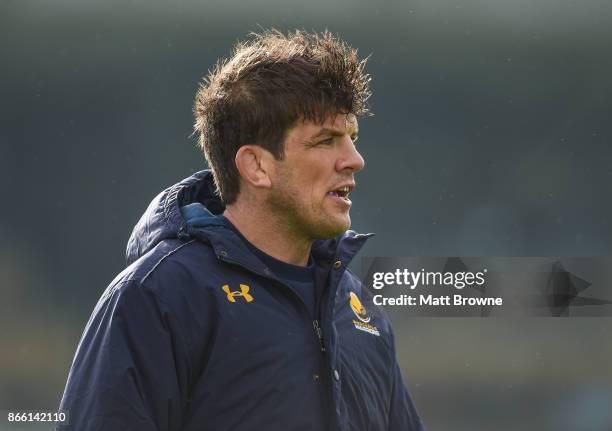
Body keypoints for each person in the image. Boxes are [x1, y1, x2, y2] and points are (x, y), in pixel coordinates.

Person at [58, 29, 425, 431]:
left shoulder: (356, 305)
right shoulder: (156, 297)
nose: (354, 160)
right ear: (256, 166)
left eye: (352, 138)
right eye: (326, 140)